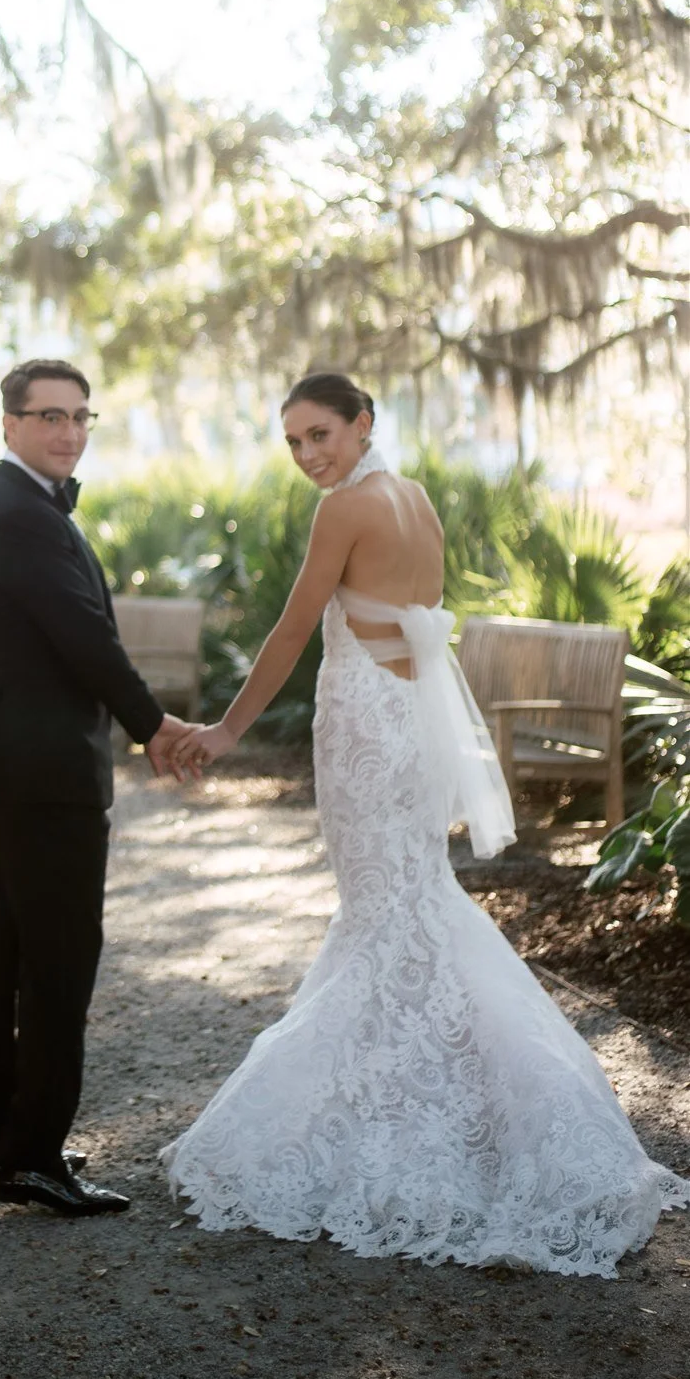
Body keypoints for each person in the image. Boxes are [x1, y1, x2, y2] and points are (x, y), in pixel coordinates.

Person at [163, 370, 690, 1276]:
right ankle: (459, 1103)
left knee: (381, 917)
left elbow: (293, 629)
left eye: (319, 434)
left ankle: (405, 1127)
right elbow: (420, 629)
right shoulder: (415, 502)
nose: (306, 455)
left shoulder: (344, 511)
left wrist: (225, 730)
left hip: (366, 728)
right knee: (410, 907)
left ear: (363, 424)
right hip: (409, 726)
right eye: (292, 441)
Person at [0, 359, 190, 1218]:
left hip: (15, 763)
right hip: (40, 770)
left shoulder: (18, 506)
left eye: (80, 416)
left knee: (5, 955)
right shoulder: (19, 515)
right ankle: (33, 1155)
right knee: (54, 964)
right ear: (8, 425)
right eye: (48, 416)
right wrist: (154, 725)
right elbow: (84, 638)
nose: (67, 431)